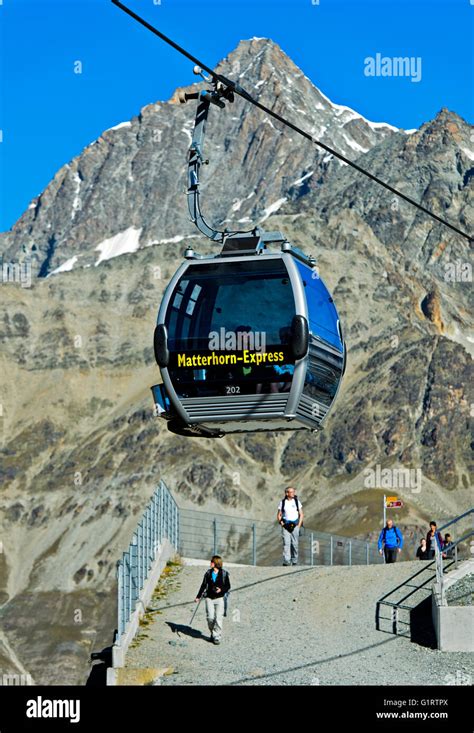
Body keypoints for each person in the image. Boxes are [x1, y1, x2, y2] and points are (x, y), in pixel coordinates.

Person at [195, 555, 231, 645]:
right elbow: (203, 585)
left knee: (219, 618)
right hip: (209, 598)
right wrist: (198, 597)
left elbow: (228, 586)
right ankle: (213, 633)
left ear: (216, 563)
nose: (210, 563)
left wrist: (221, 590)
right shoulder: (208, 573)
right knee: (210, 618)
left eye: (212, 562)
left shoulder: (224, 574)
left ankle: (217, 636)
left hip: (220, 599)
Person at [277, 487, 304, 566]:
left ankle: (294, 560)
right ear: (287, 493)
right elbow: (279, 515)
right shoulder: (282, 503)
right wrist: (282, 524)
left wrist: (299, 525)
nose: (293, 493)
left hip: (295, 525)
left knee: (294, 544)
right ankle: (286, 561)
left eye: (293, 492)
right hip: (286, 525)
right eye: (291, 492)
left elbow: (301, 514)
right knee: (286, 543)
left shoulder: (296, 502)